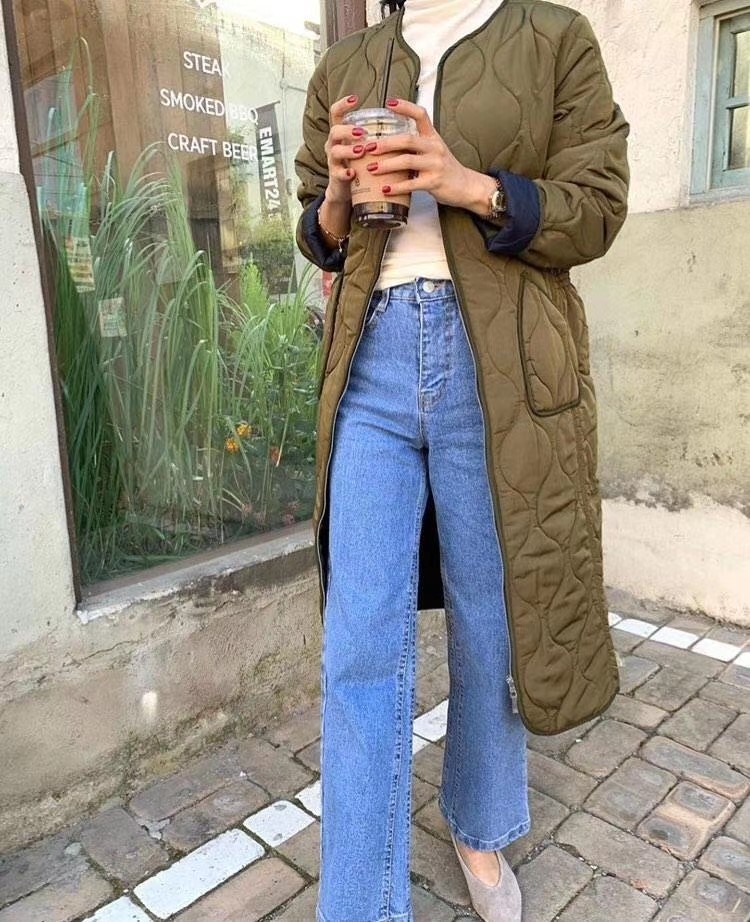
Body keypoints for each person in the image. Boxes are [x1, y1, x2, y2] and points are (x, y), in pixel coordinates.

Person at [294, 0, 629, 919]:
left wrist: (469, 184)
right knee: (359, 641)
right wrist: (334, 201)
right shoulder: (349, 62)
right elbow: (317, 234)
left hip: (498, 366)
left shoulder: (554, 37)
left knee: (492, 625)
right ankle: (359, 904)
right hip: (370, 361)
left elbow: (598, 209)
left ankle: (480, 825)